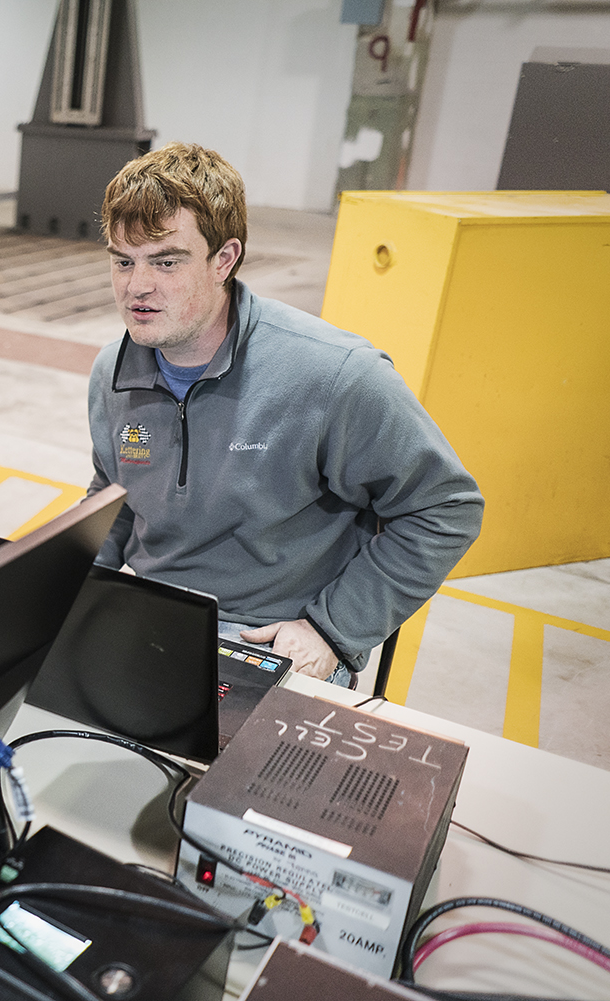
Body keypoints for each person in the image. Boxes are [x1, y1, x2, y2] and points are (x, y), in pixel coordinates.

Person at [87, 143, 483, 684]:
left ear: (224, 260)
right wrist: (63, 582)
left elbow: (446, 508)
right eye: (122, 260)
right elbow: (114, 494)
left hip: (264, 637)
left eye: (167, 261)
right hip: (148, 615)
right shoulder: (115, 370)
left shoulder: (334, 375)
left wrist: (332, 629)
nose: (137, 286)